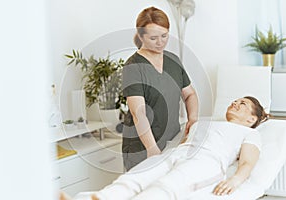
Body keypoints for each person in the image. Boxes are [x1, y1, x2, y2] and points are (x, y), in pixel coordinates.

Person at [90, 96, 269, 200]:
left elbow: (247, 162)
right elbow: (184, 143)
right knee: (138, 176)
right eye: (235, 100)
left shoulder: (250, 134)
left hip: (207, 161)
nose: (235, 103)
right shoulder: (201, 123)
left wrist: (235, 180)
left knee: (166, 186)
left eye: (243, 104)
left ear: (251, 119)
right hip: (179, 153)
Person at [122, 6, 199, 171]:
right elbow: (138, 112)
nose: (160, 42)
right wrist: (151, 148)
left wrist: (192, 119)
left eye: (164, 36)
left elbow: (190, 94)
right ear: (141, 36)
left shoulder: (173, 61)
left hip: (173, 141)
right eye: (154, 38)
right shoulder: (133, 66)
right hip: (142, 148)